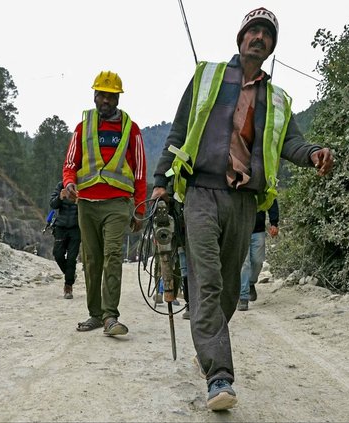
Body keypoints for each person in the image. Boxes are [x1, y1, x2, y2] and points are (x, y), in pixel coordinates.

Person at [151, 6, 333, 411]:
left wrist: (315, 153)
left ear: (271, 46)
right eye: (254, 30)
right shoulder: (208, 76)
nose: (260, 38)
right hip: (200, 192)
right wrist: (160, 182)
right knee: (208, 282)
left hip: (244, 202)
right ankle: (219, 377)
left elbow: (291, 144)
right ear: (241, 37)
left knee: (230, 288)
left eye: (267, 34)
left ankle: (207, 341)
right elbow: (179, 131)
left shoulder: (277, 98)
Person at [63, 70, 147, 336]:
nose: (105, 101)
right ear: (95, 95)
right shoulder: (82, 127)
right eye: (101, 95)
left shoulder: (131, 129)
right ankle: (95, 314)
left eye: (111, 96)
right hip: (86, 204)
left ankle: (111, 316)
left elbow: (140, 173)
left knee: (112, 256)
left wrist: (139, 209)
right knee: (91, 259)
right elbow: (70, 164)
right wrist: (69, 183)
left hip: (118, 205)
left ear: (118, 98)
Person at [237, 199, 279, 311]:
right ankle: (243, 297)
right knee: (244, 264)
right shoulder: (233, 182)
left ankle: (251, 283)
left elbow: (271, 199)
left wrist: (274, 223)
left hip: (258, 229)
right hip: (240, 230)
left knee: (258, 261)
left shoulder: (260, 182)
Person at [49, 181, 81, 299]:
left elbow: (90, 208)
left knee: (72, 258)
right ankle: (71, 274)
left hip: (76, 228)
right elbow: (52, 204)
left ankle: (68, 287)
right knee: (57, 254)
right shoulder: (61, 185)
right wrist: (60, 197)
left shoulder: (83, 184)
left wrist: (79, 203)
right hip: (61, 227)